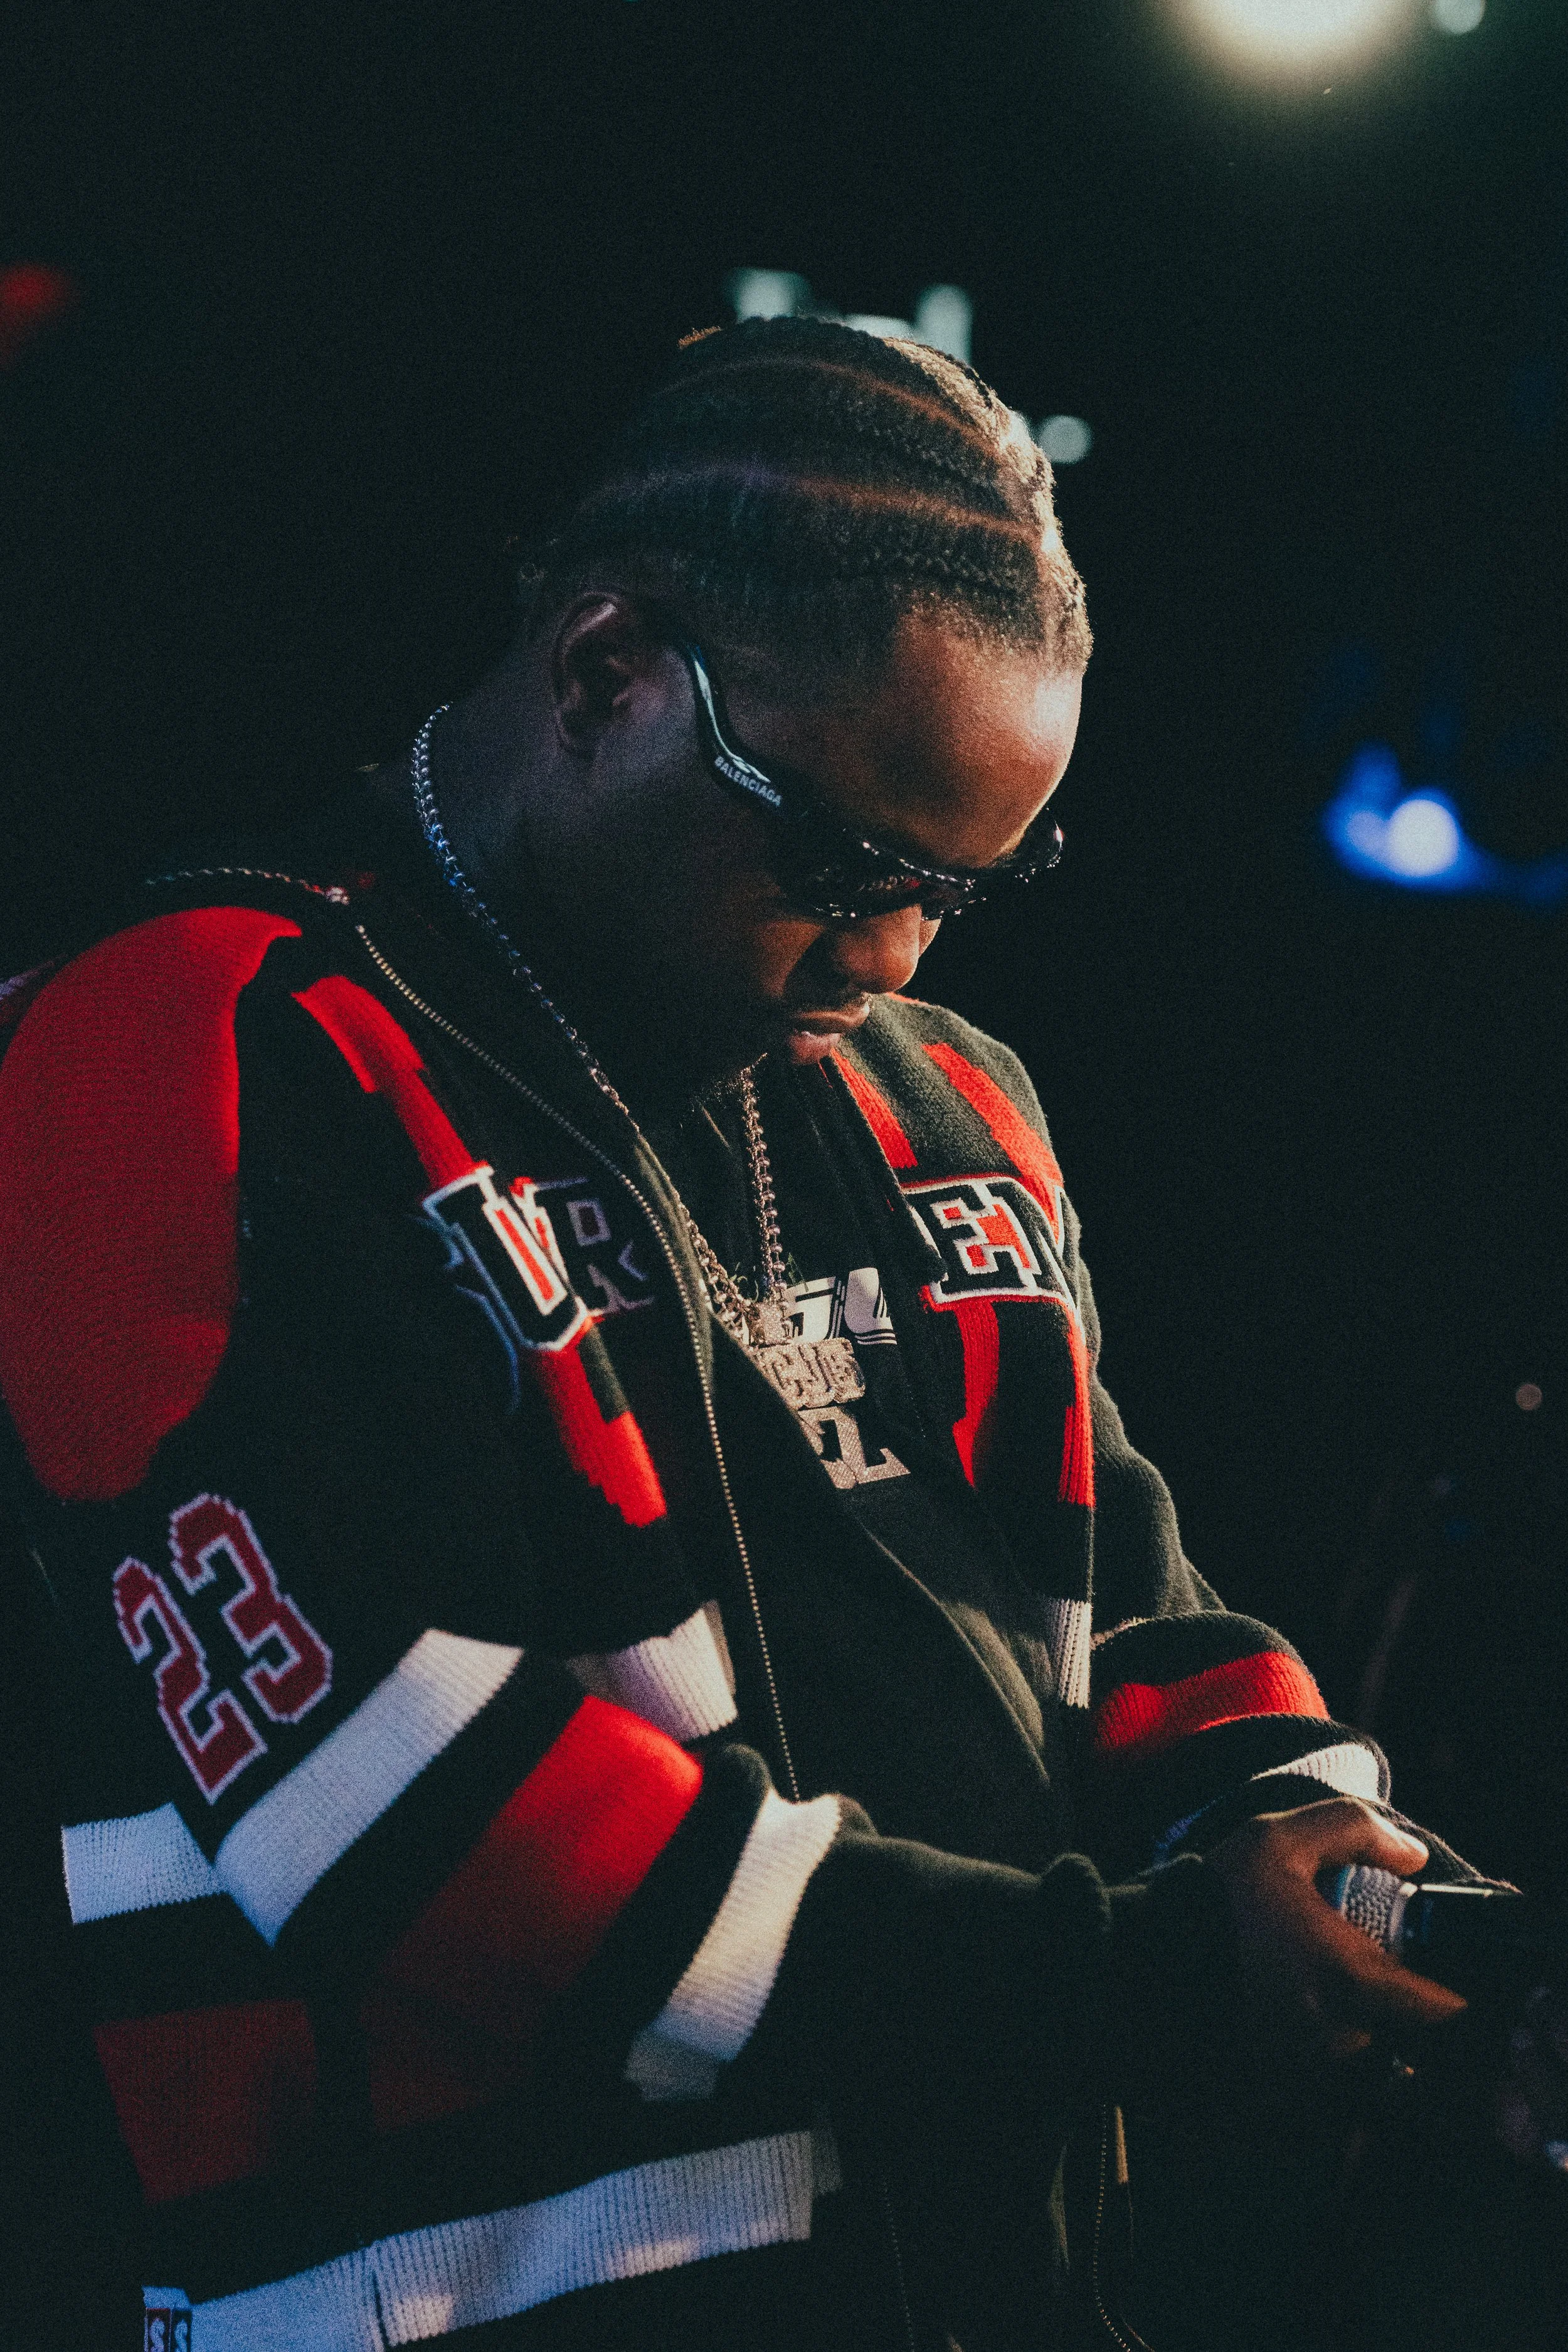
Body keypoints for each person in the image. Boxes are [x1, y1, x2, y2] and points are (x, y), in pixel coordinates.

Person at [0, 318, 1549, 2352]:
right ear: (603, 670)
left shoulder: (941, 1094)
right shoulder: (181, 1045)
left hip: (980, 2283)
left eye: (962, 884)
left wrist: (1380, 1910)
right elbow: (396, 1819)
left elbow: (1130, 1623)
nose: (891, 950)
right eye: (837, 857)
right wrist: (1159, 1979)